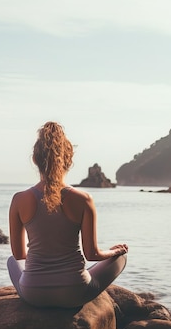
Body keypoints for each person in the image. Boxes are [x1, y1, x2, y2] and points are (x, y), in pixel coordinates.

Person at [7, 121, 127, 309]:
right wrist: (115, 251)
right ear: (68, 160)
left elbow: (19, 254)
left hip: (33, 293)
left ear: (35, 160)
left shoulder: (19, 199)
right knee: (121, 257)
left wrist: (43, 264)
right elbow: (92, 254)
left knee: (11, 261)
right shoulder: (84, 199)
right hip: (74, 292)